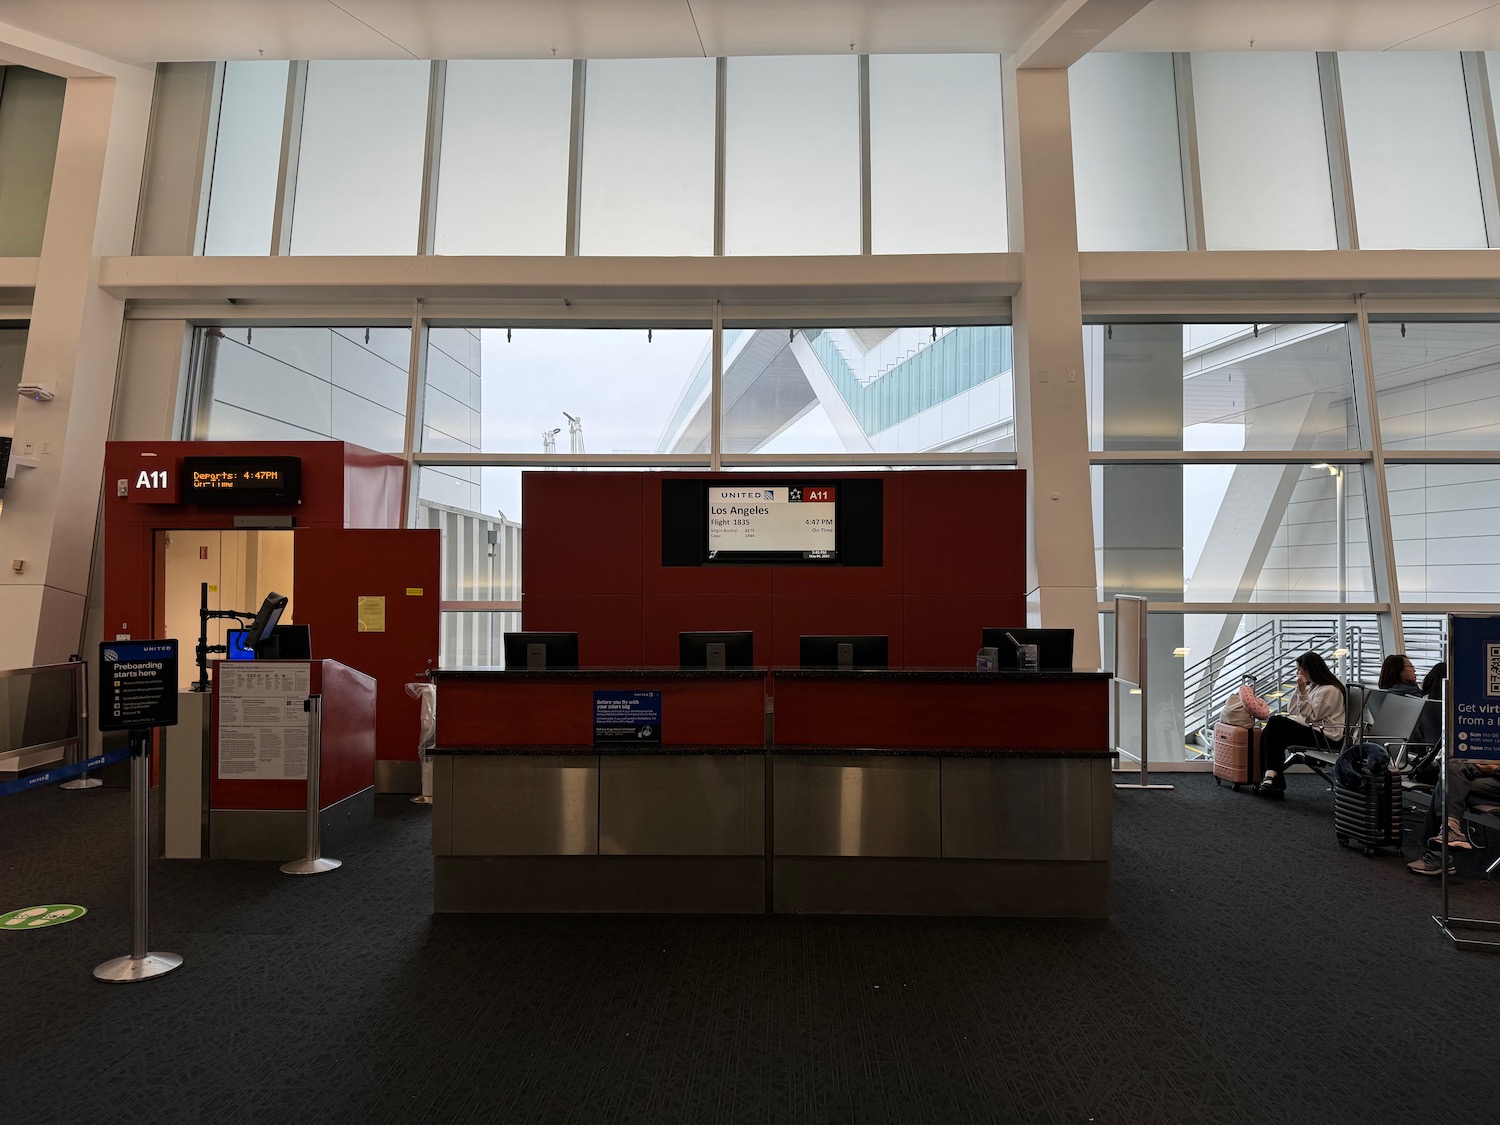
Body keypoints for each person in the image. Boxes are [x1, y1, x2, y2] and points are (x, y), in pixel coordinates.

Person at [1249, 651, 1347, 797]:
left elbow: (1310, 716)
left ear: (1309, 670)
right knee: (1272, 728)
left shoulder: (1330, 690)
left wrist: (1302, 692)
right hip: (1313, 731)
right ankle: (1271, 779)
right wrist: (1299, 689)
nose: (1297, 673)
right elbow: (1293, 709)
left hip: (1326, 736)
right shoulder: (1314, 687)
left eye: (1299, 670)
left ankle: (1272, 778)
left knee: (1275, 723)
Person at [1408, 758, 1500, 875]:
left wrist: (1496, 768)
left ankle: (1439, 852)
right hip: (1488, 772)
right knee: (1451, 765)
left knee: (1449, 787)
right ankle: (1450, 828)